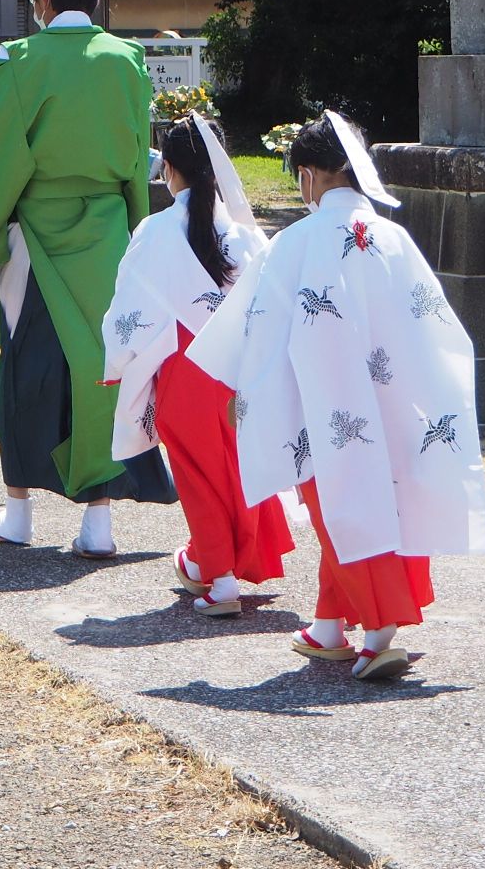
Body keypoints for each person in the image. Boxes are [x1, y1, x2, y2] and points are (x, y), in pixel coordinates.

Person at [188, 111, 485, 682]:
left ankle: (379, 633)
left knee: (342, 509)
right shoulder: (395, 239)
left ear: (307, 176)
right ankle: (329, 624)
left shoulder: (296, 242)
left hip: (324, 406)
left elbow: (260, 330)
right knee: (381, 503)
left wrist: (244, 395)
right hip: (398, 400)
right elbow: (434, 324)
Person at [0, 0, 175, 557]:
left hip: (34, 240)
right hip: (104, 233)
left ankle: (18, 513)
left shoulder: (18, 60)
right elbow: (136, 159)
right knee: (105, 369)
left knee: (26, 370)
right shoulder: (124, 59)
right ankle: (97, 524)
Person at [101, 114, 291, 614]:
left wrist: (117, 359)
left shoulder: (155, 231)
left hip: (184, 367)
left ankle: (221, 579)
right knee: (236, 466)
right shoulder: (247, 237)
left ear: (169, 169)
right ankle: (205, 562)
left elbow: (130, 311)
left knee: (197, 470)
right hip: (237, 370)